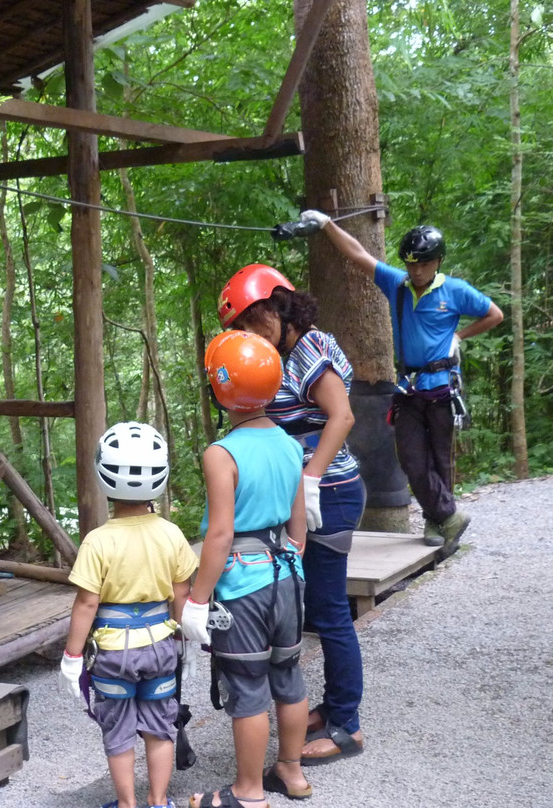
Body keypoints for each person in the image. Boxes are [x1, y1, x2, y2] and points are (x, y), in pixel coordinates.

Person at [217, 264, 366, 766]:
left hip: (332, 492)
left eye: (249, 323)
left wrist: (310, 479)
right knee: (314, 611)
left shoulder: (310, 351)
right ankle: (329, 706)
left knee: (329, 614)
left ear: (274, 309)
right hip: (306, 497)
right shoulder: (279, 353)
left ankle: (348, 724)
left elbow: (342, 416)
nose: (246, 336)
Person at [299, 210, 504, 550]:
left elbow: (494, 314)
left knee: (439, 459)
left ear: (437, 261)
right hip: (409, 388)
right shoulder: (397, 285)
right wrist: (326, 224)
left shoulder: (455, 291)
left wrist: (460, 336)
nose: (416, 270)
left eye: (423, 263)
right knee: (411, 458)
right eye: (410, 264)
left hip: (442, 387)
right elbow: (357, 254)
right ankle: (450, 516)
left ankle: (435, 520)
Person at [181, 330, 312, 808]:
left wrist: (197, 599)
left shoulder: (222, 453)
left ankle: (249, 792)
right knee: (288, 674)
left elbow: (219, 536)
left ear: (221, 390)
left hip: (244, 584)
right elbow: (299, 528)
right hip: (287, 577)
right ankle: (292, 773)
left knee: (248, 684)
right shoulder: (289, 444)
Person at [60, 422, 198, 808]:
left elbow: (87, 604)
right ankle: (158, 801)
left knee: (118, 729)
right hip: (160, 646)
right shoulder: (171, 533)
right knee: (159, 727)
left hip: (113, 653)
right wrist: (185, 647)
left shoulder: (98, 540)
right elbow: (181, 595)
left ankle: (127, 805)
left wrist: (72, 658)